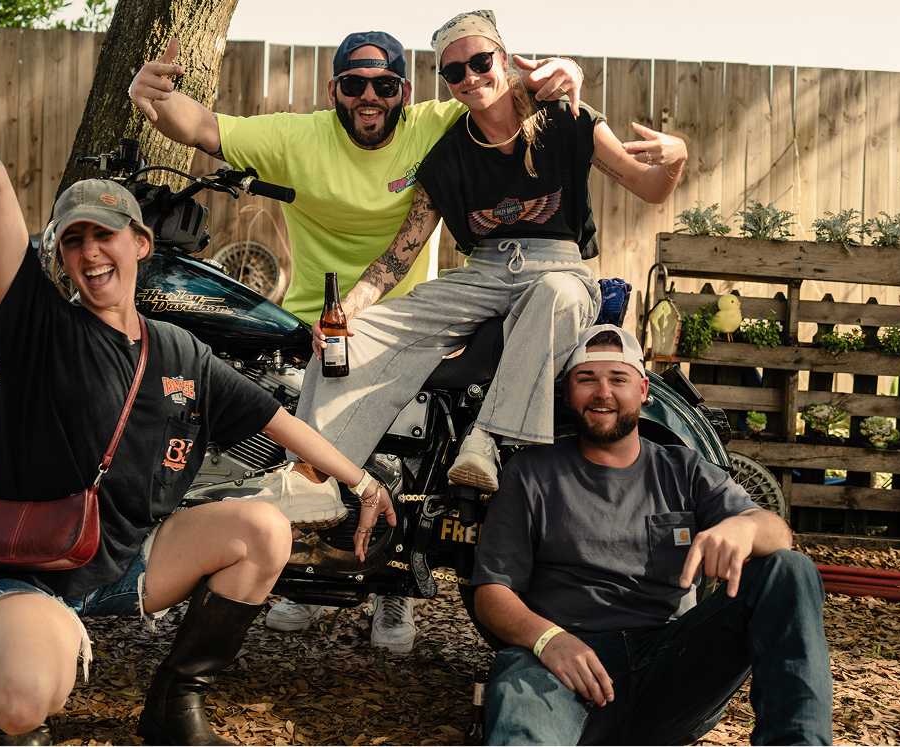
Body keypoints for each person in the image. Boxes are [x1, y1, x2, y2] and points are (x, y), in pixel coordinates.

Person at [0, 3, 388, 745]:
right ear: (60, 257)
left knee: (261, 527)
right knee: (25, 693)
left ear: (141, 243)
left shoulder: (179, 350)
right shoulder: (39, 327)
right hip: (28, 572)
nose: (91, 252)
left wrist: (363, 481)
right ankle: (11, 677)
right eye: (75, 240)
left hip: (127, 565)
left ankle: (174, 703)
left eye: (106, 234)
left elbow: (275, 420)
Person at [130, 28, 585, 652]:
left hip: (413, 318)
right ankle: (290, 574)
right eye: (354, 84)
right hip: (310, 319)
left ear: (405, 91)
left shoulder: (438, 118)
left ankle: (394, 594)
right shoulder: (298, 137)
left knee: (392, 456)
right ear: (334, 89)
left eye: (385, 85)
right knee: (293, 443)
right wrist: (149, 96)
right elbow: (205, 128)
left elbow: (508, 91)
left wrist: (564, 71)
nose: (369, 96)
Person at [288, 10, 687, 543]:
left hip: (557, 265)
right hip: (483, 273)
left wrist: (677, 156)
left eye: (481, 62)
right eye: (455, 72)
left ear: (504, 58)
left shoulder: (565, 120)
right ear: (446, 84)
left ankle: (488, 441)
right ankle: (312, 475)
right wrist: (347, 310)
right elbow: (397, 258)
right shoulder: (448, 154)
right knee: (353, 337)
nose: (471, 77)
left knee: (558, 294)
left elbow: (653, 188)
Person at [472, 324, 833, 745]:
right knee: (519, 703)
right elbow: (491, 592)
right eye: (586, 379)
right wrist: (548, 640)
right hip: (561, 668)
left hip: (670, 665)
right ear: (569, 391)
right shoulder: (531, 473)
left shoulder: (685, 469)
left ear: (643, 390)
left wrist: (743, 525)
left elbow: (778, 534)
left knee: (788, 569)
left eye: (618, 379)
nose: (602, 392)